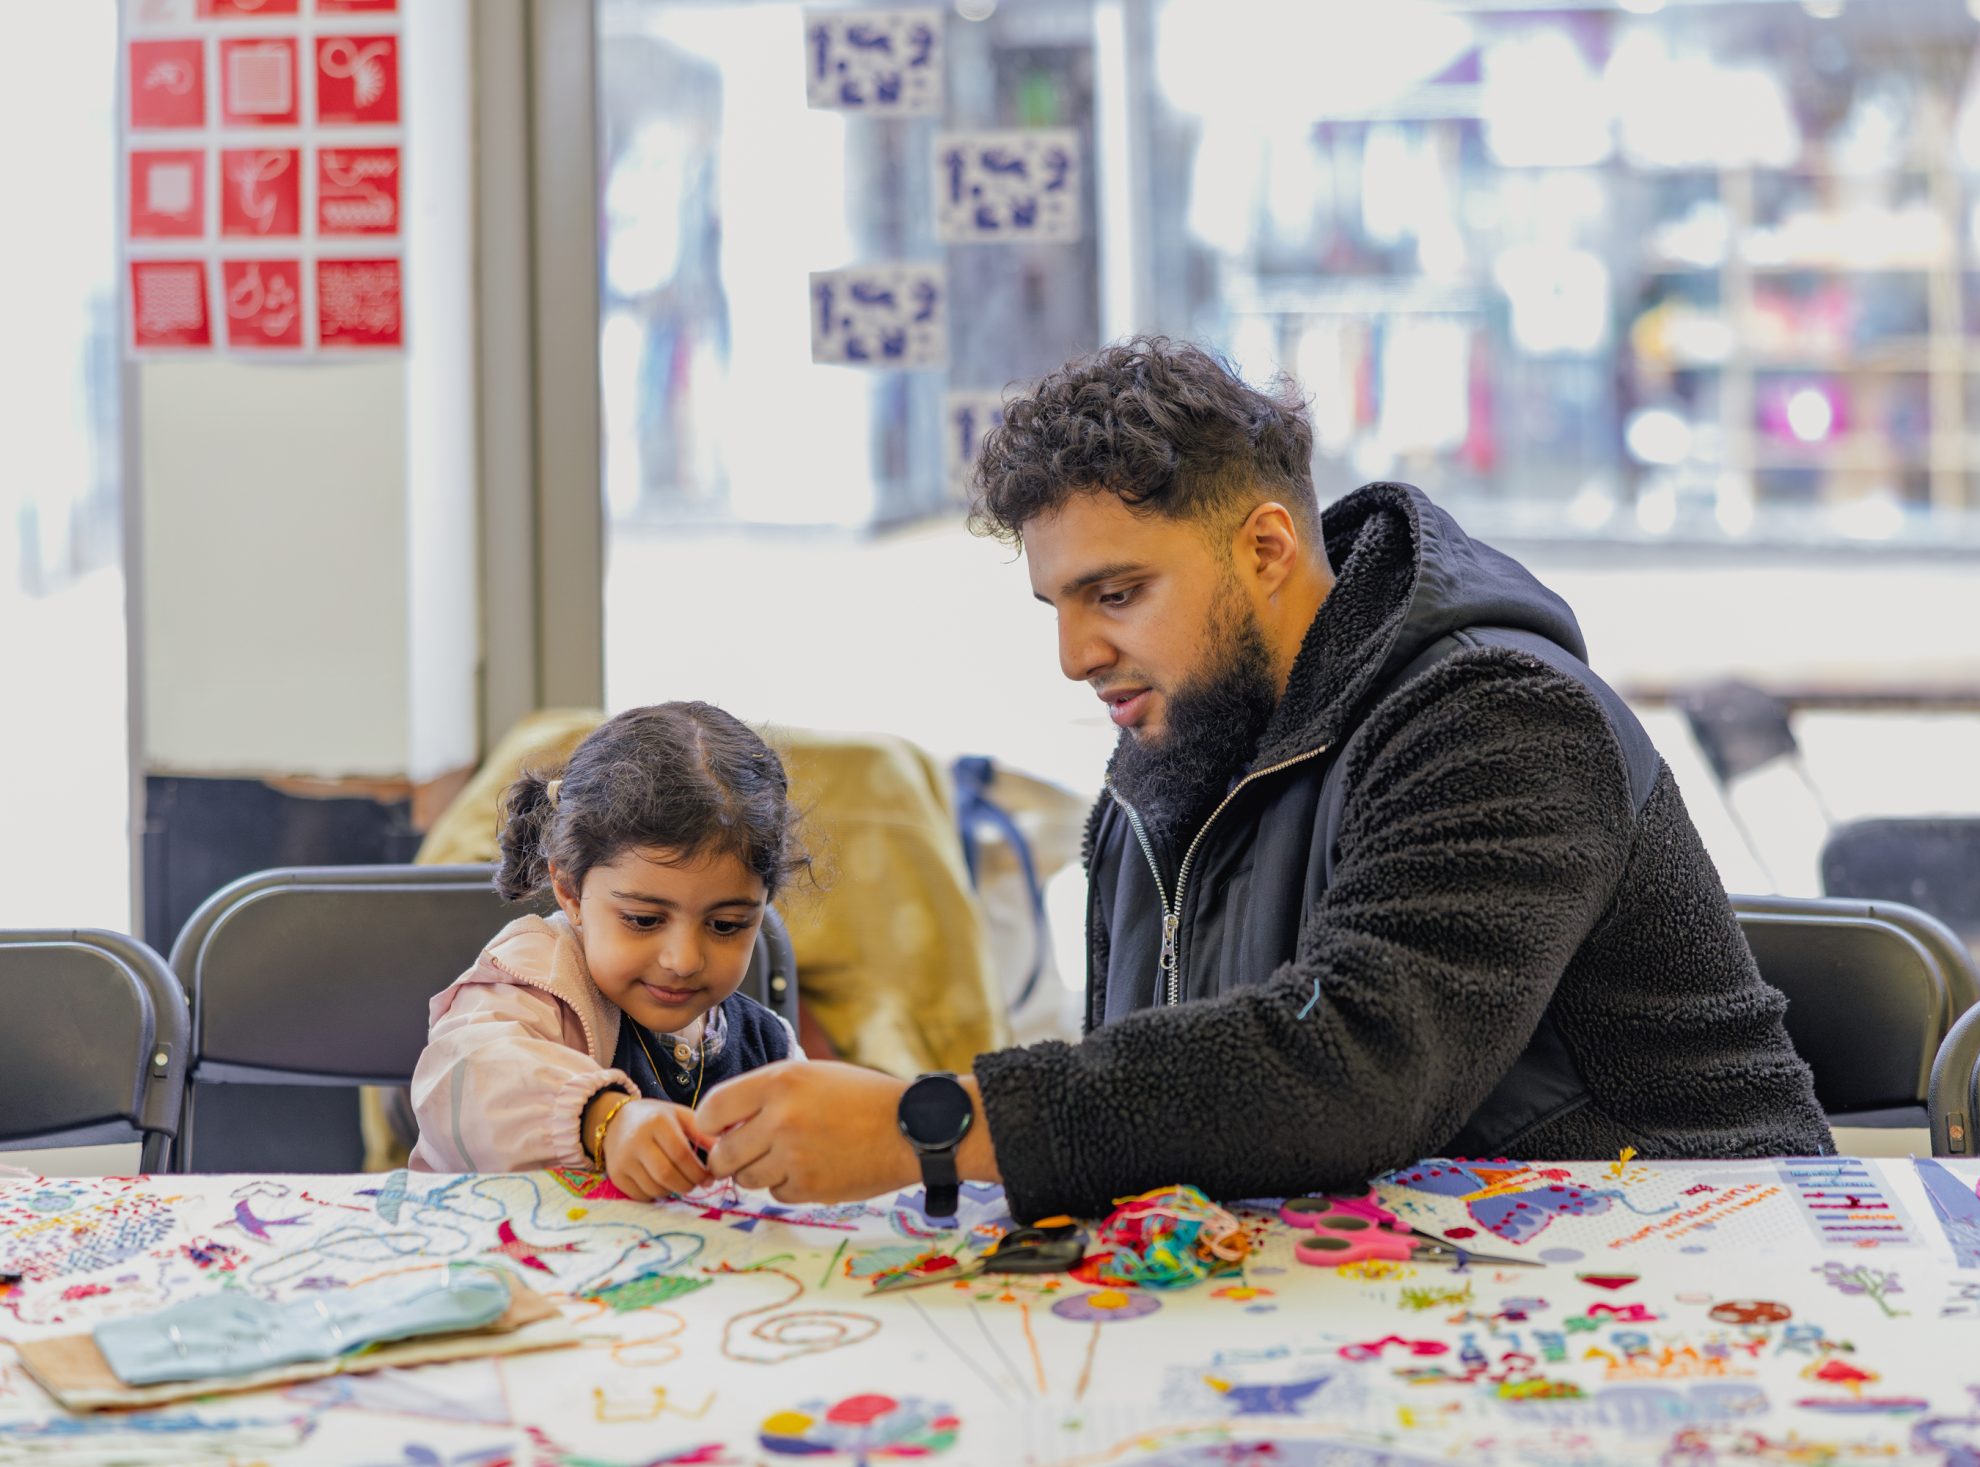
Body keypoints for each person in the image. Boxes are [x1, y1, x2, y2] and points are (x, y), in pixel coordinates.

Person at [694, 337, 1832, 1220]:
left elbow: (1354, 1059)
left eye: (1118, 593)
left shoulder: (1502, 717)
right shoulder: (1171, 758)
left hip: (1701, 1273)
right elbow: (1166, 1110)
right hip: (1398, 1297)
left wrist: (925, 1125)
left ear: (1268, 550)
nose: (1075, 656)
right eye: (1059, 606)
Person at [410, 701, 805, 1199]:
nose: (683, 960)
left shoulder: (769, 1046)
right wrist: (605, 1119)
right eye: (643, 920)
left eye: (726, 925)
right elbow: (464, 1082)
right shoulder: (535, 978)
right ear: (570, 891)